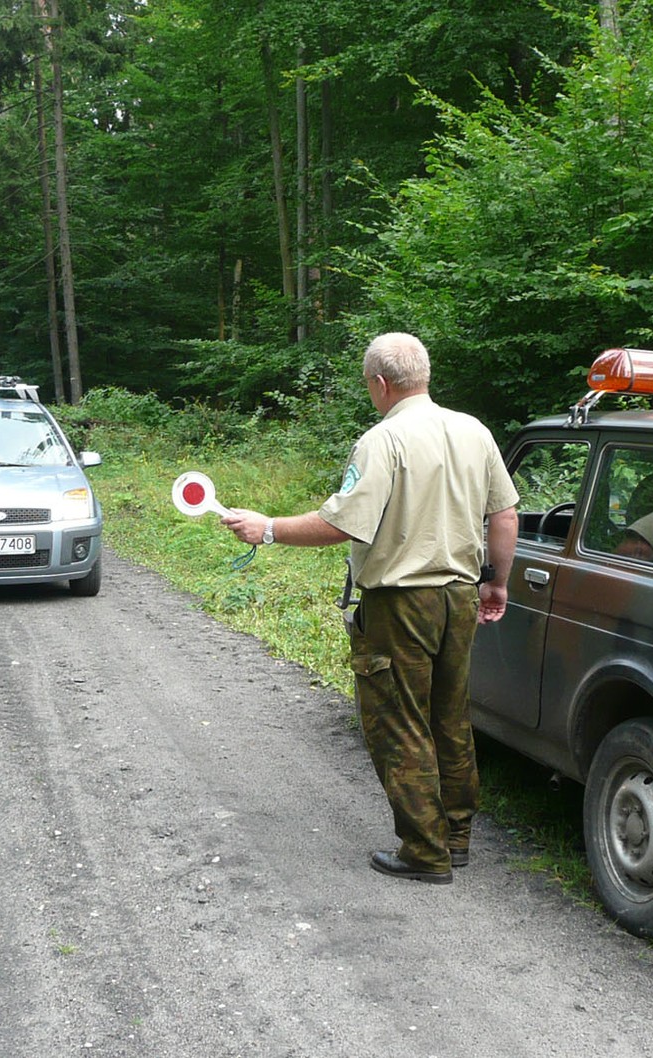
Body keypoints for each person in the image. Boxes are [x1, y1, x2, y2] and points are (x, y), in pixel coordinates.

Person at [222, 333, 519, 885]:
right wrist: (496, 583)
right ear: (423, 375)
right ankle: (455, 839)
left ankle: (424, 853)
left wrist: (268, 528)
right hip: (459, 597)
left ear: (380, 383)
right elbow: (504, 515)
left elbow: (343, 523)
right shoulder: (474, 431)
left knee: (400, 723)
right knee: (450, 718)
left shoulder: (383, 440)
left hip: (401, 604)